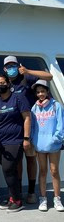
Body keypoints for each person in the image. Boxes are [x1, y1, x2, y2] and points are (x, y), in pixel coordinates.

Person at [3, 55, 52, 204]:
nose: (11, 69)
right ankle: (17, 193)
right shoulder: (5, 84)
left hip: (29, 126)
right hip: (14, 128)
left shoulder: (26, 79)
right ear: (5, 69)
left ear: (18, 66)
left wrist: (28, 71)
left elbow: (49, 76)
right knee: (17, 162)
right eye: (8, 66)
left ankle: (31, 192)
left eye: (13, 65)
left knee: (31, 159)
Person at [0, 74, 31, 212]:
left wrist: (26, 139)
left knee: (7, 169)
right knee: (10, 171)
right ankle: (13, 197)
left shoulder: (18, 98)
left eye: (2, 82)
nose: (0, 85)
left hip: (15, 140)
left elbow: (27, 118)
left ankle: (17, 201)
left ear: (8, 83)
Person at [30, 80, 64, 212]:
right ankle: (43, 198)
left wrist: (55, 139)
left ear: (47, 92)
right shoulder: (34, 108)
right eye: (38, 92)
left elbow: (61, 126)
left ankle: (57, 198)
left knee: (54, 171)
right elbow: (32, 126)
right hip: (40, 145)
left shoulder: (56, 106)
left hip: (54, 145)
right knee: (42, 171)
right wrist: (33, 139)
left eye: (42, 91)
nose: (40, 94)